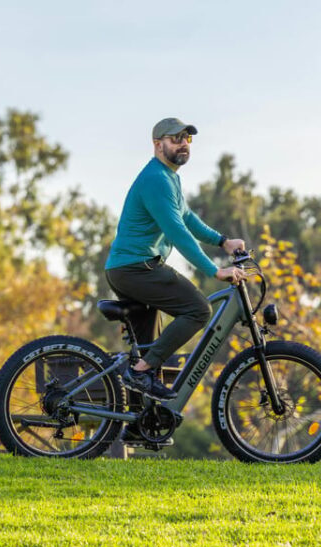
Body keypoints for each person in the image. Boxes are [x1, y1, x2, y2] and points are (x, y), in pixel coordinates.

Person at [105, 117, 246, 412]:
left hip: (131, 268)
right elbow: (176, 231)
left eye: (187, 139)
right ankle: (141, 372)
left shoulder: (169, 178)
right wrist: (215, 270)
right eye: (176, 138)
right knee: (198, 309)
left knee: (147, 349)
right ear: (158, 145)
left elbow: (187, 218)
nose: (183, 144)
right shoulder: (156, 179)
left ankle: (138, 422)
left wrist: (223, 241)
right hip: (136, 268)